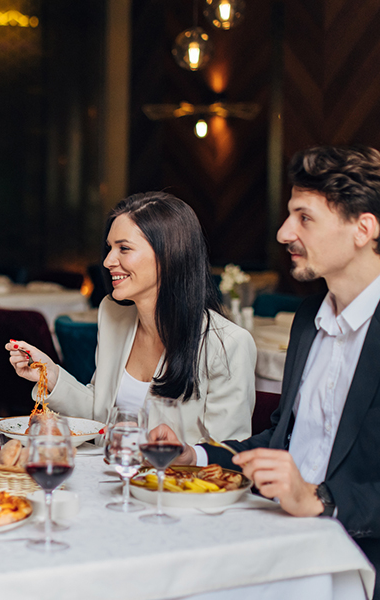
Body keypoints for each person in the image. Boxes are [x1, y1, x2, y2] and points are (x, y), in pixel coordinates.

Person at [166, 145, 380, 595]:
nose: (284, 233)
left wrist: (320, 500)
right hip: (280, 535)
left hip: (356, 558)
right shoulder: (308, 320)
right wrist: (196, 457)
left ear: (363, 228)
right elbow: (283, 440)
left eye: (304, 217)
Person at [6, 192, 256, 443]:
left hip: (167, 481)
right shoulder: (114, 314)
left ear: (169, 255)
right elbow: (101, 415)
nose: (107, 261)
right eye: (109, 248)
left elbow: (226, 456)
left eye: (123, 248)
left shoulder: (228, 344)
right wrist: (50, 375)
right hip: (111, 473)